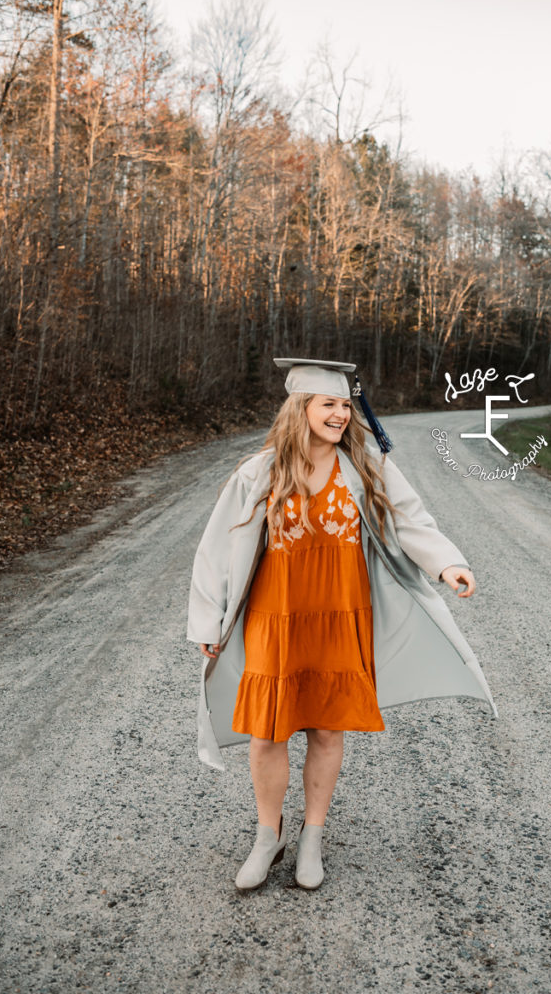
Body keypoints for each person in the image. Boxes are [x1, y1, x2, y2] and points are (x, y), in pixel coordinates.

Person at [187, 357, 497, 893]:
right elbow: (215, 547)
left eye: (346, 406)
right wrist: (207, 619)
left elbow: (408, 517)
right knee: (267, 732)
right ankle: (268, 836)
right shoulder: (258, 473)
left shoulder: (365, 465)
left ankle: (312, 836)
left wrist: (447, 563)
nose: (339, 415)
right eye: (328, 404)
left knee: (327, 728)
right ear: (300, 408)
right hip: (274, 616)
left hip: (338, 614)